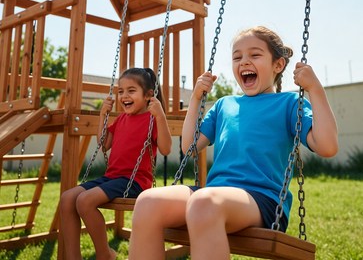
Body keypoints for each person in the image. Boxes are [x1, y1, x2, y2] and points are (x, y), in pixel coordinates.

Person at [128, 26, 338, 260]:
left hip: (261, 200)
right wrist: (196, 98)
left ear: (278, 65)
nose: (244, 62)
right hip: (213, 196)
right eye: (237, 57)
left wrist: (314, 88)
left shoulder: (288, 103)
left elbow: (327, 146)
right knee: (147, 201)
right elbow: (189, 148)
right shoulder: (224, 105)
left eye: (255, 55)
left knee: (204, 201)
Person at [60, 67, 172, 260]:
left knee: (85, 201)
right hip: (111, 178)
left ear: (148, 95)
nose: (124, 96)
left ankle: (105, 255)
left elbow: (166, 148)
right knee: (67, 198)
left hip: (134, 181)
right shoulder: (121, 119)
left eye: (131, 90)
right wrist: (103, 115)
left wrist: (161, 117)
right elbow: (104, 144)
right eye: (120, 91)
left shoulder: (152, 119)